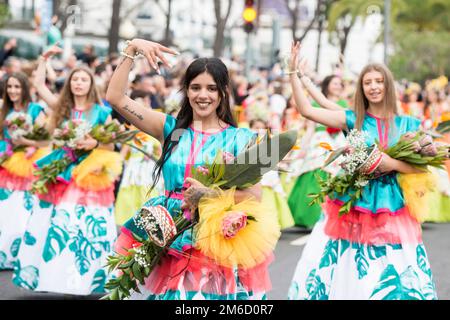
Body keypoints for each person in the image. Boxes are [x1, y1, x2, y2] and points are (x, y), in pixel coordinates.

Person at [106, 39, 274, 300]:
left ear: (223, 92)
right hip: (171, 233)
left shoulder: (241, 138)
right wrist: (132, 48)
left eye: (211, 88)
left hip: (216, 236)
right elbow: (115, 97)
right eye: (195, 87)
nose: (202, 95)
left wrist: (207, 196)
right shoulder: (170, 129)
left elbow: (254, 196)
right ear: (186, 90)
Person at [287, 42, 437, 300]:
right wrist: (293, 74)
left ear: (388, 85)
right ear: (362, 88)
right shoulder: (352, 119)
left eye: (379, 81)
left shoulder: (409, 124)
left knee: (394, 268)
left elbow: (419, 166)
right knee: (354, 268)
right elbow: (308, 110)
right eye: (368, 82)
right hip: (355, 203)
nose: (374, 86)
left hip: (394, 207)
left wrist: (390, 164)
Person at [13, 45, 120, 295]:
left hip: (89, 175)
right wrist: (44, 58)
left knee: (82, 226)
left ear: (90, 84)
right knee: (56, 225)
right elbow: (39, 85)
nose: (78, 83)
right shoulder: (60, 107)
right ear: (70, 84)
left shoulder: (102, 112)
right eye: (75, 79)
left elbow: (113, 144)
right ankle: (55, 278)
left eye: (83, 79)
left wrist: (94, 143)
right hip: (60, 170)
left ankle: (85, 280)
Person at [0, 72, 49, 270]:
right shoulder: (4, 111)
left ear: (25, 89)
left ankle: (19, 255)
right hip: (7, 164)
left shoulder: (36, 109)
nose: (13, 91)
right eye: (9, 87)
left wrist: (27, 143)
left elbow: (46, 140)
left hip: (29, 164)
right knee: (5, 211)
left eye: (17, 87)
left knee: (23, 211)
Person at [288, 73, 348, 229]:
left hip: (339, 141)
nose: (338, 86)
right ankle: (311, 216)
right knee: (314, 172)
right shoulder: (314, 104)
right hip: (320, 141)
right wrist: (303, 147)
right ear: (327, 85)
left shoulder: (343, 104)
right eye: (334, 83)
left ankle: (333, 215)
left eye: (340, 84)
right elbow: (310, 128)